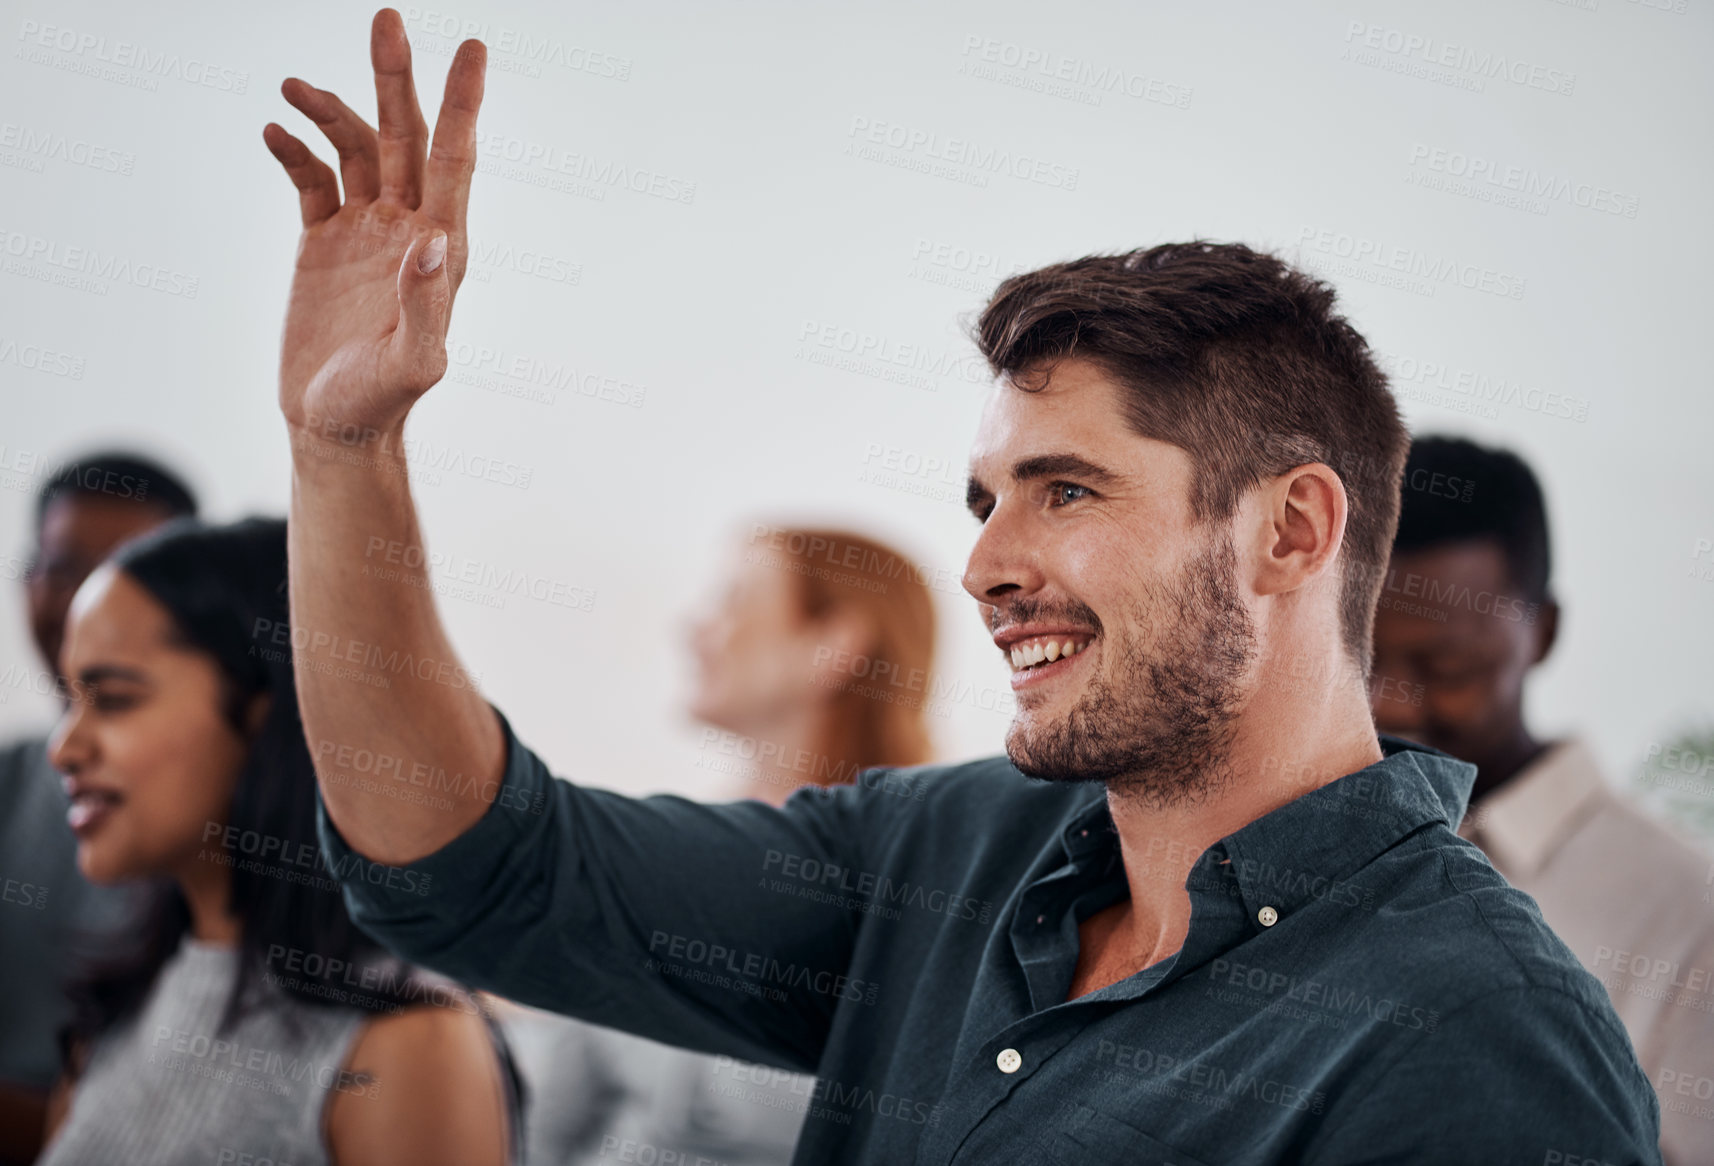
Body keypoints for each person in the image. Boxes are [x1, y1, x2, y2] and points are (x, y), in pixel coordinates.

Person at [260, 13, 1661, 1162]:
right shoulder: (952, 853)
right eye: (985, 500)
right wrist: (345, 452)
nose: (985, 564)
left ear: (1288, 532)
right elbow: (476, 874)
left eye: (1066, 489)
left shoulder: (1478, 1036)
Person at [35, 517, 519, 1166]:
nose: (63, 748)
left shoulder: (404, 1040)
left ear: (269, 713)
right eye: (70, 701)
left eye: (115, 698)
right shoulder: (118, 1012)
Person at [505, 526, 937, 1164]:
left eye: (735, 599)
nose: (696, 627)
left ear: (832, 645)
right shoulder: (668, 853)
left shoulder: (923, 881)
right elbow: (553, 1120)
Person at [1370, 435, 1714, 1166]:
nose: (1391, 705)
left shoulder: (1689, 910)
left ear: (1544, 632)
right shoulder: (1294, 843)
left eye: (1450, 667)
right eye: (1359, 660)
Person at [0, 452, 196, 1166]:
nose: (88, 603)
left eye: (122, 572)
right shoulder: (11, 780)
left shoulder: (223, 820)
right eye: (64, 567)